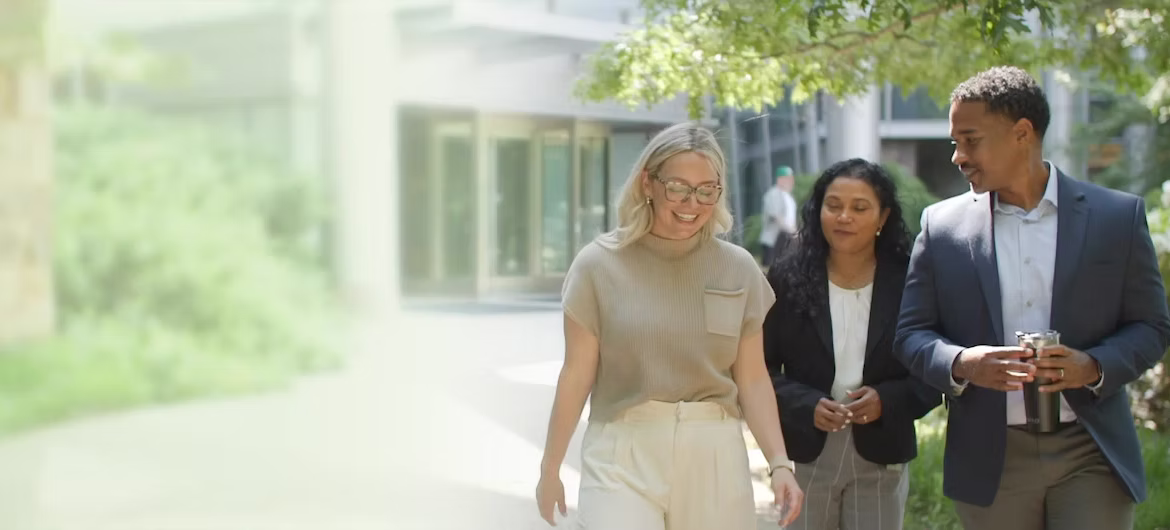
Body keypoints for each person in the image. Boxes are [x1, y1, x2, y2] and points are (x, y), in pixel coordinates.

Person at [894, 65, 1170, 530]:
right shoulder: (941, 227)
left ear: (1022, 133)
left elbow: (1152, 326)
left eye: (970, 140)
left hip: (1091, 447)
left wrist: (1094, 366)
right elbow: (910, 335)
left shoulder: (1116, 218)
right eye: (955, 142)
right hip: (990, 457)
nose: (958, 157)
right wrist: (963, 363)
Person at [535, 122, 804, 529]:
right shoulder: (597, 265)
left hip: (714, 453)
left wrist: (779, 464)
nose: (691, 203)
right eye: (678, 187)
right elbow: (576, 374)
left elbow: (752, 379)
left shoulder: (738, 268)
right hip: (621, 452)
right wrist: (550, 467)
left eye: (706, 190)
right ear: (648, 182)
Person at [763, 158, 941, 529]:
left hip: (882, 448)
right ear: (819, 211)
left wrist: (886, 401)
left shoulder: (912, 280)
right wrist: (806, 404)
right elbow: (758, 368)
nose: (844, 217)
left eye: (860, 208)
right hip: (807, 449)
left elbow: (933, 367)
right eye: (833, 205)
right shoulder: (787, 277)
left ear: (883, 217)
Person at [760, 165, 798, 266]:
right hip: (774, 240)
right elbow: (776, 216)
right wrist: (792, 230)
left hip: (786, 240)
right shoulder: (773, 194)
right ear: (780, 180)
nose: (791, 182)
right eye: (788, 179)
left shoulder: (789, 197)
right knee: (771, 268)